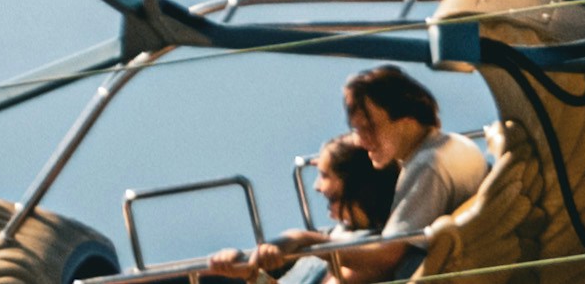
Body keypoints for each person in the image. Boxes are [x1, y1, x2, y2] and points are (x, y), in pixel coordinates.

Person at [167, 63, 492, 278]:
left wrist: (305, 241)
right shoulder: (451, 148)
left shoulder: (431, 164)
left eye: (370, 128)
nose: (362, 141)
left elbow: (387, 257)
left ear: (406, 120)